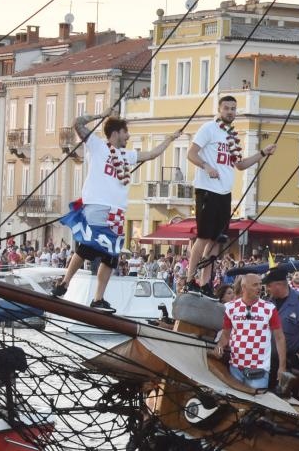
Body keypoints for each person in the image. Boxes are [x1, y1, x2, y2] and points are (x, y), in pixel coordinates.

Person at [53, 114, 173, 309]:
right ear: (116, 133)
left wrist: (169, 140)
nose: (128, 137)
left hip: (117, 212)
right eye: (126, 133)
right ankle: (64, 283)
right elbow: (77, 123)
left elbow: (151, 154)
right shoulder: (97, 145)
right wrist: (101, 115)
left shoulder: (126, 156)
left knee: (111, 256)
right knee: (87, 246)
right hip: (98, 205)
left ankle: (98, 299)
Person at [186, 96, 270, 291]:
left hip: (225, 191)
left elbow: (240, 165)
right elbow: (191, 153)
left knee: (217, 239)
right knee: (204, 236)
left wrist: (263, 153)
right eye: (227, 108)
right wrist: (206, 166)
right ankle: (191, 278)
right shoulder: (209, 128)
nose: (230, 112)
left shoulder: (232, 136)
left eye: (233, 109)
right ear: (219, 109)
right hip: (207, 189)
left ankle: (206, 282)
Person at [214, 272, 286, 391]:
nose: (259, 288)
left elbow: (280, 338)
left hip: (259, 370)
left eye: (260, 284)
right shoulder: (230, 307)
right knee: (235, 404)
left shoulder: (269, 308)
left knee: (255, 406)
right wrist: (219, 348)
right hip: (235, 368)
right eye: (255, 285)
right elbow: (225, 335)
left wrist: (282, 367)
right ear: (244, 287)